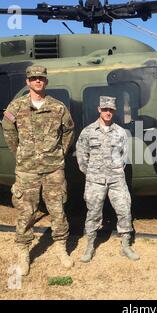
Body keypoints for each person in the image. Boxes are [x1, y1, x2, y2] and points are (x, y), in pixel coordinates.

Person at [2, 65, 75, 276]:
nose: (37, 81)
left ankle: (61, 247)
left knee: (57, 209)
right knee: (26, 211)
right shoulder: (15, 107)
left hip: (54, 169)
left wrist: (60, 151)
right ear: (27, 81)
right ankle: (23, 251)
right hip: (27, 170)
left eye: (41, 78)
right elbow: (8, 131)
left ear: (46, 81)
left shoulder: (58, 107)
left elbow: (69, 129)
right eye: (33, 78)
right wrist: (22, 153)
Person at [76, 96, 139, 262]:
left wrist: (115, 170)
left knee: (124, 209)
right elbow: (82, 157)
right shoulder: (88, 132)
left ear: (114, 111)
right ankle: (90, 245)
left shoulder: (120, 132)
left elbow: (124, 157)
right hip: (95, 181)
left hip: (116, 179)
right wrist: (92, 173)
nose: (108, 112)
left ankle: (126, 245)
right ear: (99, 109)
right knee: (93, 213)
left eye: (110, 109)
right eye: (105, 109)